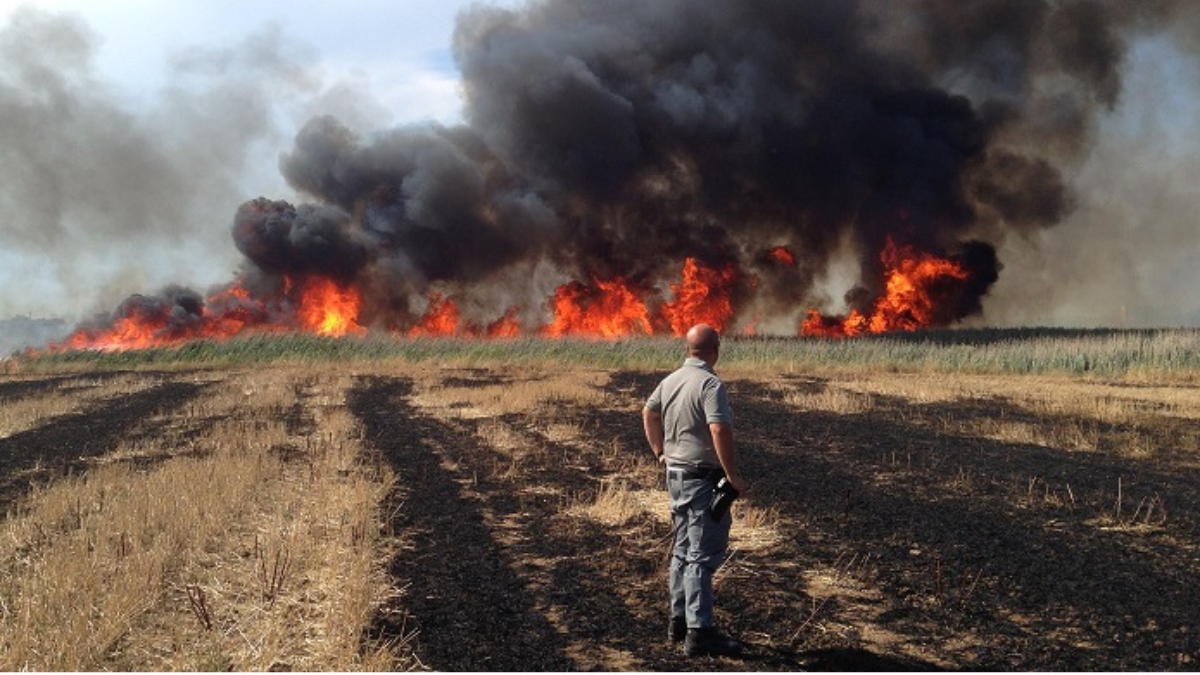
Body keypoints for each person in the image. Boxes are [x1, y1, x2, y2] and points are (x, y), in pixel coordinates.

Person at [643, 323, 747, 657]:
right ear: (716, 349)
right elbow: (719, 428)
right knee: (702, 555)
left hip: (675, 474)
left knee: (683, 549)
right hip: (702, 478)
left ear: (687, 350)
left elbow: (648, 412)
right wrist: (731, 475)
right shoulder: (710, 383)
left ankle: (678, 621)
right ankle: (700, 632)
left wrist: (659, 451)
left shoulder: (671, 380)